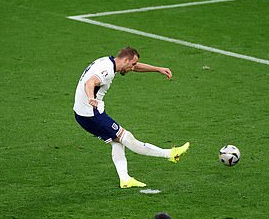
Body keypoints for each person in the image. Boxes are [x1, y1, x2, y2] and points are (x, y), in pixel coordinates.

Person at [73, 47, 190, 188]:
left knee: (117, 142)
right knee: (127, 138)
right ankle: (170, 154)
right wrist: (91, 98)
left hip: (84, 113)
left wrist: (158, 69)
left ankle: (125, 179)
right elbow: (89, 83)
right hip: (91, 114)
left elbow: (135, 67)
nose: (133, 68)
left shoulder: (110, 62)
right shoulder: (107, 70)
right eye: (132, 64)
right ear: (126, 60)